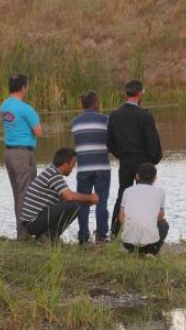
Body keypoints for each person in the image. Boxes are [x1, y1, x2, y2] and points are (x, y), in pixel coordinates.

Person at [107, 80, 162, 238]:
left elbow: (109, 142)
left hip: (125, 161)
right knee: (144, 195)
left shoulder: (114, 115)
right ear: (140, 94)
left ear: (126, 94)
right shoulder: (144, 116)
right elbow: (152, 141)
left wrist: (120, 155)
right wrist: (153, 160)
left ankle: (115, 231)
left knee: (122, 194)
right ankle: (145, 231)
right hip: (143, 161)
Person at [21, 148, 99, 242]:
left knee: (75, 204)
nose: (73, 167)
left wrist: (86, 201)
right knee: (74, 205)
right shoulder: (53, 174)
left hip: (33, 221)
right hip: (32, 222)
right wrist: (91, 197)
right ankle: (49, 237)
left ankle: (47, 237)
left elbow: (65, 199)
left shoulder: (52, 172)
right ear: (65, 164)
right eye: (73, 164)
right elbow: (69, 196)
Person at [0, 74, 44, 240]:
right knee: (27, 194)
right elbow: (39, 132)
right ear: (23, 87)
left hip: (9, 153)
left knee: (18, 193)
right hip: (23, 154)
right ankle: (24, 234)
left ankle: (22, 232)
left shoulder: (4, 106)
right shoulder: (26, 109)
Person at [71, 90, 111, 244]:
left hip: (83, 168)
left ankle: (83, 235)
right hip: (101, 166)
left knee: (83, 202)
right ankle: (101, 235)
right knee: (101, 202)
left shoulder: (75, 122)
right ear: (95, 103)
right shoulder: (105, 120)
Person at [119, 163, 169, 256]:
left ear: (137, 176)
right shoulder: (160, 192)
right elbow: (161, 216)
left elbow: (121, 218)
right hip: (150, 244)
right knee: (164, 224)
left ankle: (131, 250)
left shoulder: (127, 191)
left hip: (127, 243)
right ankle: (152, 252)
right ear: (155, 178)